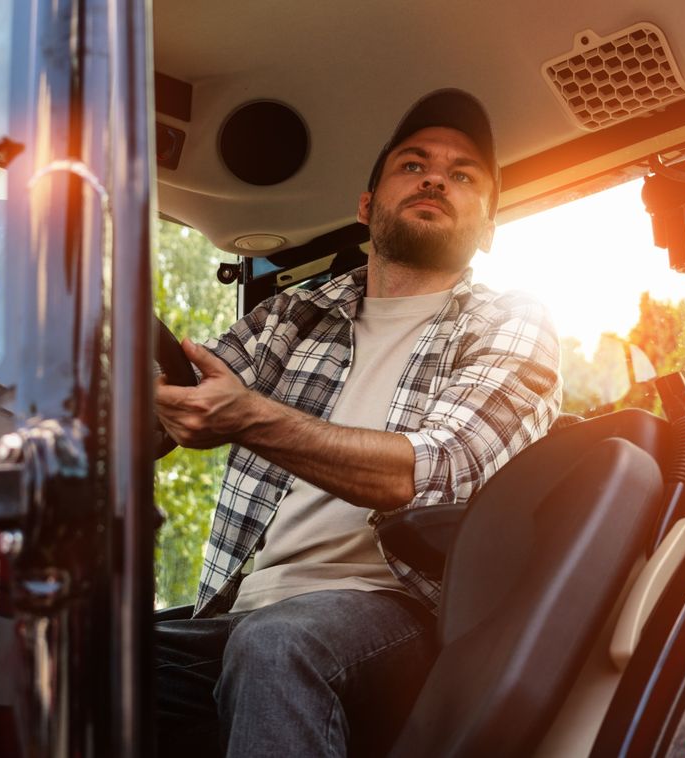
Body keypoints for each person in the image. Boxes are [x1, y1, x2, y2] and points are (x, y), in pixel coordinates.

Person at [153, 88, 562, 757]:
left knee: (281, 643)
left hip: (399, 616)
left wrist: (252, 418)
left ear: (488, 228)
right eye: (412, 164)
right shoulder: (290, 315)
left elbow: (441, 472)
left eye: (462, 175)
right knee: (73, 655)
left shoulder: (509, 322)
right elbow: (174, 410)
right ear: (366, 206)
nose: (435, 176)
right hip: (240, 610)